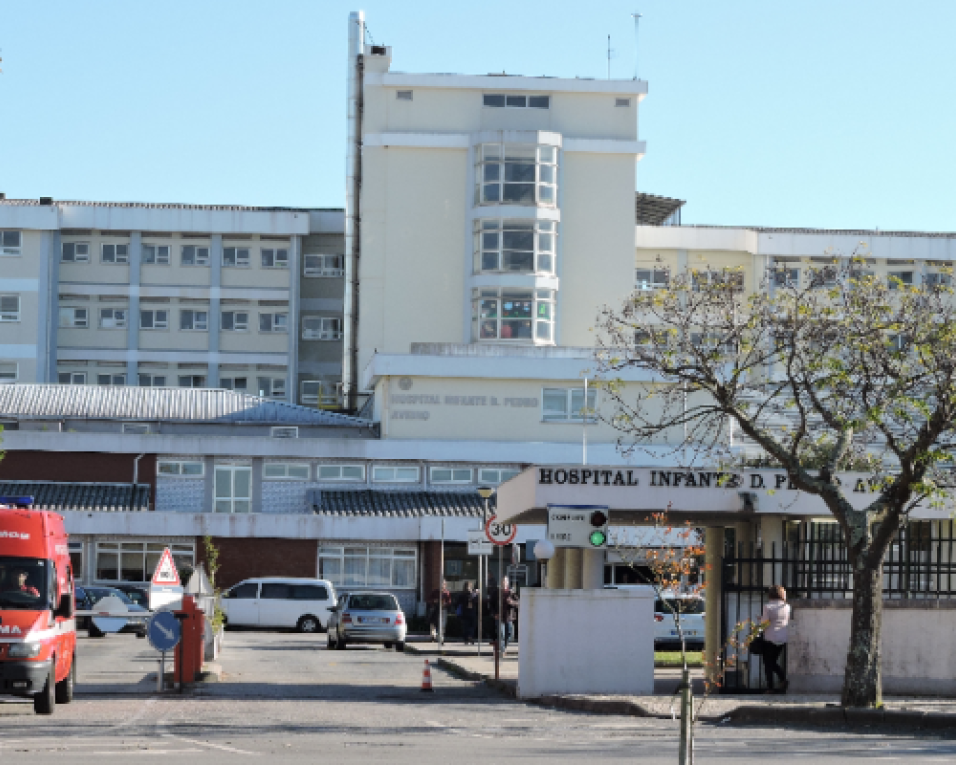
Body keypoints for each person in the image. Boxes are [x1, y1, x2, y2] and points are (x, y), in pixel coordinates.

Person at [760, 584, 791, 693]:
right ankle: (782, 680)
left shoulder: (768, 607)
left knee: (768, 663)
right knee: (772, 662)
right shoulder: (787, 607)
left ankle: (771, 687)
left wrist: (760, 621)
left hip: (770, 637)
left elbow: (765, 623)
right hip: (783, 637)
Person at [499, 576, 519, 654]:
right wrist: (494, 613)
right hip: (501, 616)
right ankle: (503, 650)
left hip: (509, 616)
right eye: (503, 581)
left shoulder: (511, 593)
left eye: (506, 581)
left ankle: (505, 646)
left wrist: (512, 602)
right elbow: (492, 603)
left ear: (508, 583)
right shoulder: (498, 592)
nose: (504, 582)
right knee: (502, 634)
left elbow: (518, 603)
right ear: (501, 582)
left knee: (509, 633)